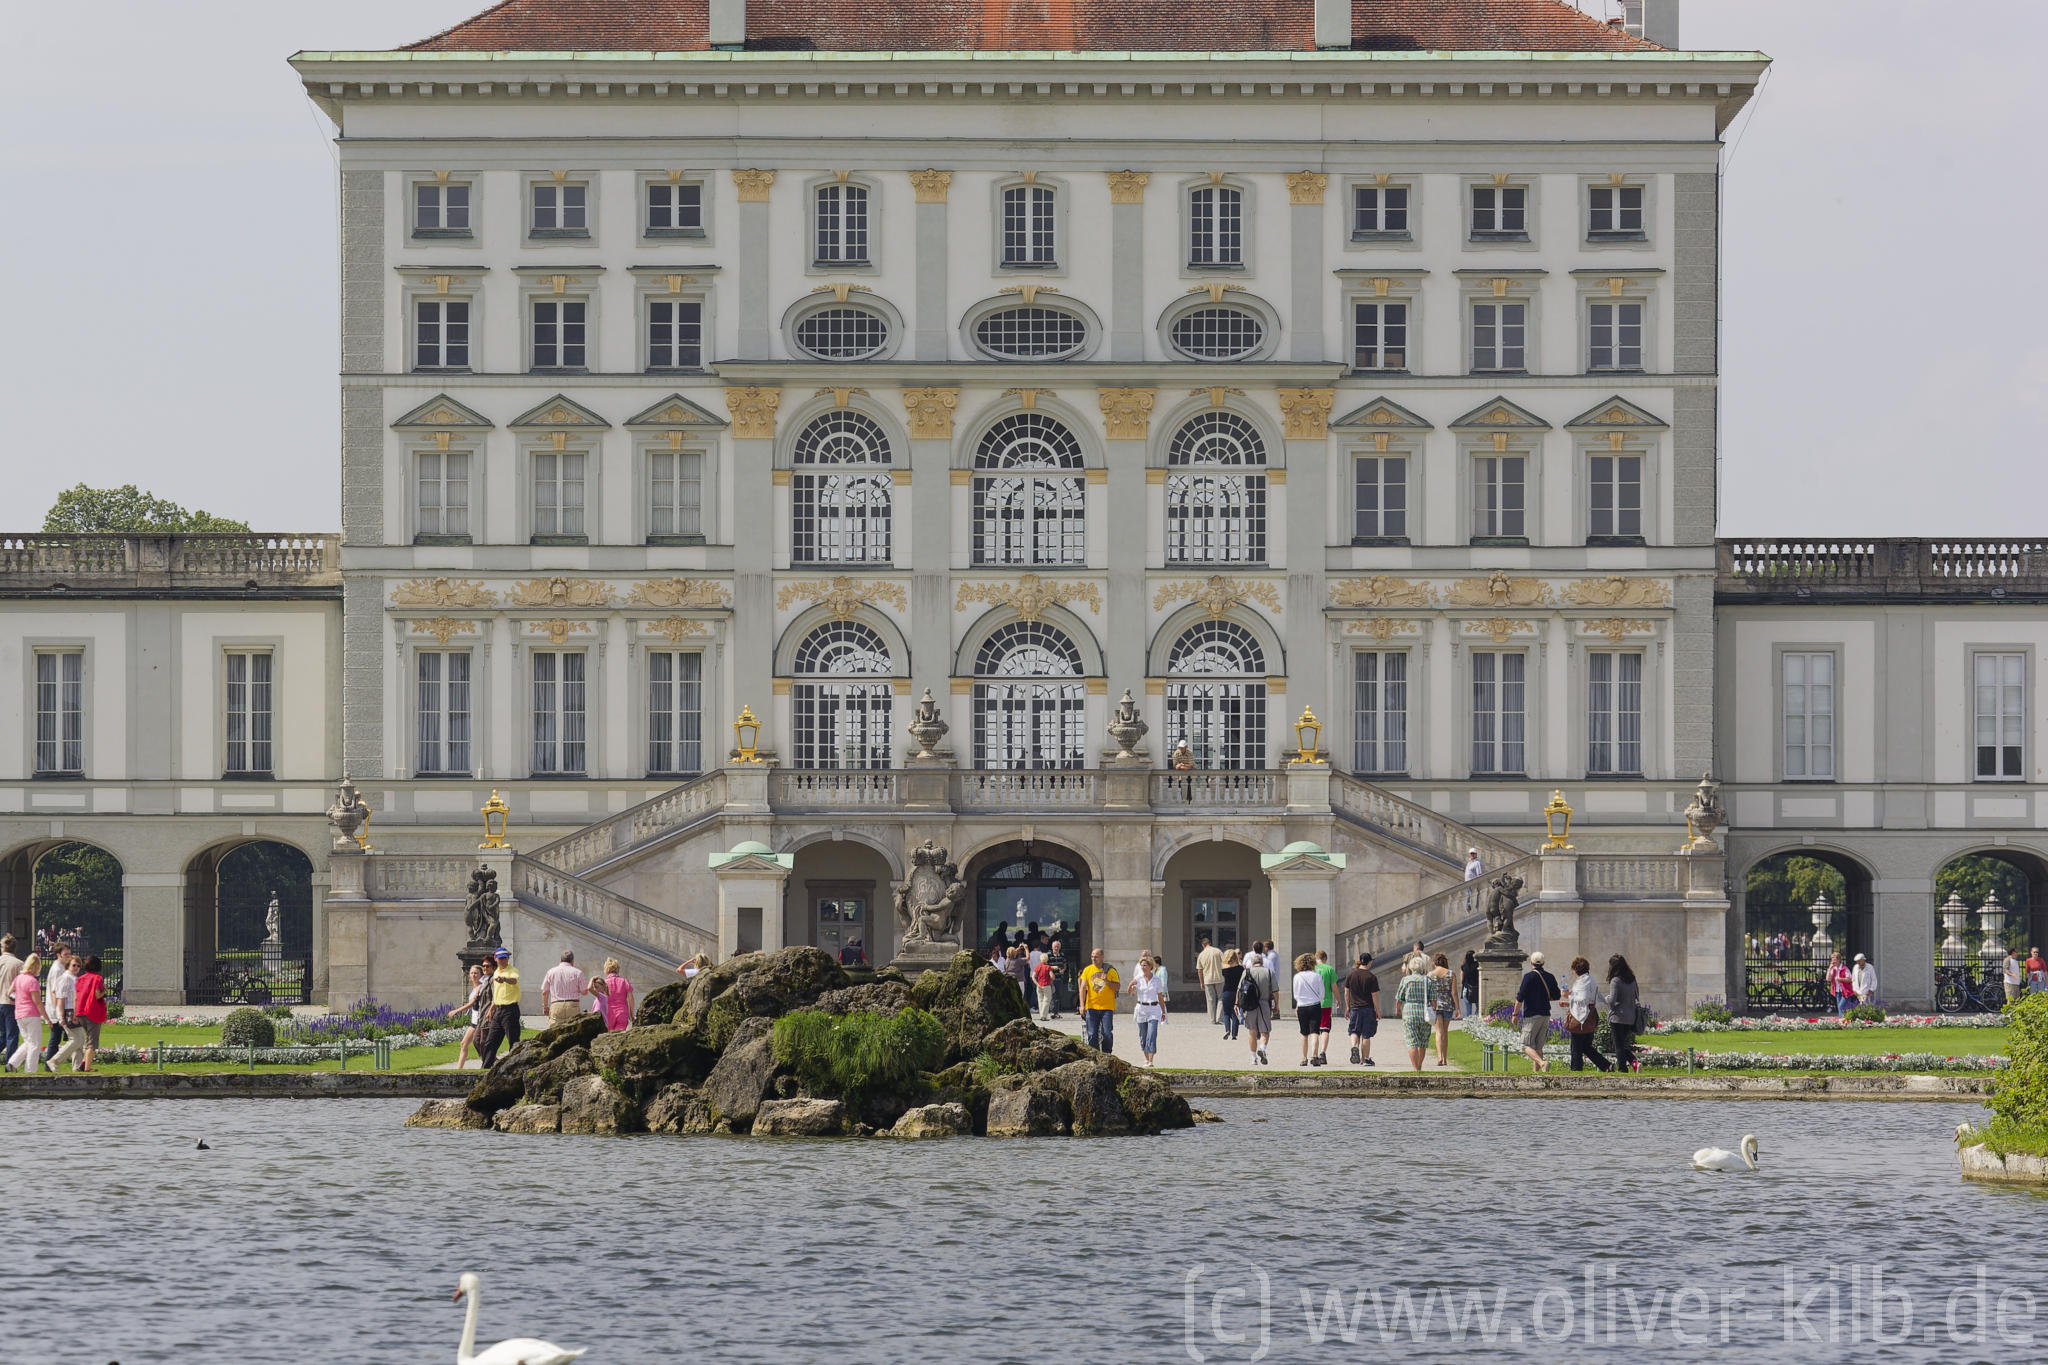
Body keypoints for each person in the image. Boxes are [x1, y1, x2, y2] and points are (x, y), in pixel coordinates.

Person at [1562, 956, 1612, 1073]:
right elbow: (1593, 997)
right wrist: (1568, 1001)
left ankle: (1576, 1070)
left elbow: (1582, 999)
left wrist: (1567, 996)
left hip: (1581, 1018)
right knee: (1586, 1047)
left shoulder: (1581, 982)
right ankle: (1607, 1066)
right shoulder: (1591, 979)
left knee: (1576, 1048)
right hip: (1591, 1015)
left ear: (1576, 969)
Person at [1513, 950, 1560, 1072]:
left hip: (1532, 1015)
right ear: (1543, 962)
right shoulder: (1550, 976)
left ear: (1531, 962)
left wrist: (1515, 1014)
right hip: (1545, 1014)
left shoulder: (1528, 977)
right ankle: (1537, 1074)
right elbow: (1557, 995)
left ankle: (1542, 1063)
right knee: (1538, 1047)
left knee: (1525, 1045)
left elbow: (1520, 997)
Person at [476, 948, 522, 1067]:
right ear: (496, 959)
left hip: (510, 1010)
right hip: (499, 1010)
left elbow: (513, 980)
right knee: (490, 1042)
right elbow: (497, 994)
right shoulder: (496, 972)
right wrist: (491, 1009)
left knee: (513, 1041)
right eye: (500, 958)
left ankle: (515, 1067)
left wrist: (505, 979)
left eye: (505, 958)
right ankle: (485, 1069)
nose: (503, 960)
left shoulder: (512, 970)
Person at [45, 948, 83, 1071]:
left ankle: (76, 1067)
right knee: (76, 1039)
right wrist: (61, 1016)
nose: (76, 967)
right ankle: (54, 1060)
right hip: (68, 1012)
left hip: (74, 1011)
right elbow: (60, 998)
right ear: (68, 965)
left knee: (80, 1041)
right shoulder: (65, 978)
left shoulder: (74, 978)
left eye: (78, 965)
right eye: (74, 965)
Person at [1394, 955, 1432, 1072]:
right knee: (1422, 1042)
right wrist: (1433, 1011)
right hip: (1424, 1012)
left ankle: (1415, 1068)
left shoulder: (1406, 980)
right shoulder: (1428, 980)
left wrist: (1397, 1009)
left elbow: (1399, 998)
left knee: (1412, 1042)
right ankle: (1419, 1066)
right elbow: (1434, 1000)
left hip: (1409, 1011)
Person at [1127, 956, 1168, 1067]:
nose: (1143, 967)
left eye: (1145, 965)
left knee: (1152, 1033)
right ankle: (1146, 1058)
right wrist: (1131, 985)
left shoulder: (1157, 980)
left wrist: (1163, 1012)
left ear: (1150, 967)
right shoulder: (1138, 978)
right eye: (1142, 965)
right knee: (1143, 1035)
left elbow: (1160, 997)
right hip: (1141, 1009)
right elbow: (1130, 993)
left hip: (1154, 1009)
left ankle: (1151, 1060)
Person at [8, 954, 45, 1073]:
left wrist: (17, 997)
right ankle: (30, 1071)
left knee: (29, 1042)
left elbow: (9, 993)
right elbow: (38, 1002)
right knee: (34, 1044)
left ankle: (13, 1063)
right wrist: (47, 1018)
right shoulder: (32, 981)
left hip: (19, 1014)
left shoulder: (19, 978)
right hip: (32, 1014)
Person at [447, 964, 489, 1068]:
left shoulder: (480, 987)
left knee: (479, 1047)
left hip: (479, 1021)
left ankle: (493, 1063)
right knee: (464, 1044)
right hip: (474, 1021)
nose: (474, 975)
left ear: (481, 975)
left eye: (476, 973)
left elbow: (471, 1004)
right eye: (472, 973)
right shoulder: (475, 988)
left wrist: (456, 1011)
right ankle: (459, 1069)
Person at [70, 955, 108, 1073]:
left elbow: (76, 998)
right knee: (92, 1041)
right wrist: (104, 991)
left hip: (80, 1011)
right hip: (92, 1011)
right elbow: (97, 995)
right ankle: (87, 1068)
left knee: (87, 1039)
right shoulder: (97, 978)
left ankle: (83, 1064)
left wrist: (75, 1013)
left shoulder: (80, 979)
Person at [1343, 952, 1381, 1066]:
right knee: (1366, 1035)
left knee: (1354, 1031)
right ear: (1369, 962)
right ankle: (1365, 1059)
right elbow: (1374, 995)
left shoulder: (1351, 975)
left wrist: (1348, 1006)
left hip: (1354, 1008)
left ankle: (1354, 1047)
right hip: (1368, 1009)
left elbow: (1346, 992)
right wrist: (1377, 1010)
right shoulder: (1371, 977)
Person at [1078, 948, 1119, 1054]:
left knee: (1107, 1034)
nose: (1093, 958)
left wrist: (1107, 981)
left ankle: (1106, 1054)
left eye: (1096, 956)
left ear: (1102, 957)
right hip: (1091, 1007)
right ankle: (1094, 1056)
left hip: (1107, 1008)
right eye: (1092, 956)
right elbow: (1082, 988)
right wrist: (1082, 1005)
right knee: (1091, 1034)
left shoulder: (1110, 970)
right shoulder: (1087, 970)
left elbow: (1117, 987)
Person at [1606, 954, 1642, 1072]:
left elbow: (1612, 1001)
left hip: (1617, 1017)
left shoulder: (1615, 980)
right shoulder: (1632, 979)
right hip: (1631, 1016)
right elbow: (1637, 996)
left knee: (1618, 1045)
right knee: (1622, 1044)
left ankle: (1622, 1069)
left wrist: (1605, 998)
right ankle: (1634, 1063)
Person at [1238, 948, 1274, 1065]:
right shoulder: (1268, 972)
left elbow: (1240, 990)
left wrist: (1236, 1004)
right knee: (1265, 1031)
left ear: (1252, 963)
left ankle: (1253, 1058)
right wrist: (1277, 1004)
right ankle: (1262, 1048)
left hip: (1250, 1004)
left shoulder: (1246, 972)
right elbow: (1275, 991)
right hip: (1264, 1003)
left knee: (1252, 1031)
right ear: (1262, 962)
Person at [1290, 954, 1324, 1066]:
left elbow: (1295, 994)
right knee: (1315, 1032)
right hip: (1314, 1005)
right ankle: (1314, 1056)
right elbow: (1322, 993)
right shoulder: (1317, 976)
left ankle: (1304, 1058)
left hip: (1302, 1006)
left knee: (1304, 1033)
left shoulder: (1297, 977)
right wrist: (1316, 999)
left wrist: (1300, 1002)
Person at [1428, 952, 1456, 1067]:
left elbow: (1428, 991)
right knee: (1445, 1032)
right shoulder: (1451, 974)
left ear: (1434, 962)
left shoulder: (1430, 974)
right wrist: (1458, 1007)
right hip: (1448, 1005)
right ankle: (1444, 1058)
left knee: (1438, 1032)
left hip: (1435, 1005)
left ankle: (1439, 1057)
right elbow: (1454, 992)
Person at [591, 957, 634, 1031]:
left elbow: (599, 999)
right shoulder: (624, 981)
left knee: (609, 1037)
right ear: (617, 969)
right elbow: (631, 998)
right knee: (619, 1036)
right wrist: (631, 1014)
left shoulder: (603, 983)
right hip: (622, 1012)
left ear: (606, 969)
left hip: (608, 1013)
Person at [1312, 949, 1337, 1065]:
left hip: (1313, 1002)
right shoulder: (1329, 969)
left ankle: (1314, 1054)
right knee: (1325, 1028)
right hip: (1326, 1002)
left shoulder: (1312, 969)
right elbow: (1334, 987)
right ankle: (1323, 1053)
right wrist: (1338, 999)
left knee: (1315, 1030)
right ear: (1325, 959)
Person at [0, 935, 21, 1071]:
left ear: (3, 947)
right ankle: (10, 1064)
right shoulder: (19, 964)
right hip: (11, 1003)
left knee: (3, 1034)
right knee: (12, 1035)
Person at [1196, 935, 1225, 1024]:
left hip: (1207, 979)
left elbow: (1199, 971)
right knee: (1221, 998)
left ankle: (1212, 1020)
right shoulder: (1217, 951)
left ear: (1203, 945)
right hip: (1219, 977)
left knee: (1210, 1000)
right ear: (1210, 943)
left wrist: (1201, 982)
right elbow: (1224, 963)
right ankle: (1219, 1018)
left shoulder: (1201, 955)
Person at [1218, 948, 1245, 1042]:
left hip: (1226, 991)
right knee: (1235, 1013)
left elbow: (1224, 965)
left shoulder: (1224, 969)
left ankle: (1227, 1030)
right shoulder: (1241, 968)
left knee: (1226, 1013)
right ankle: (1234, 1034)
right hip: (1237, 992)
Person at [1825, 951, 1854, 1017]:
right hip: (1837, 991)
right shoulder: (1833, 969)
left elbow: (1850, 979)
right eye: (1832, 960)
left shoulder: (1845, 969)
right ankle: (1843, 1020)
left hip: (1846, 991)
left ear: (1839, 960)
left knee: (1841, 1006)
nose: (1833, 961)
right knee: (1840, 1008)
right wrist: (1829, 968)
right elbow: (1828, 979)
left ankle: (1842, 1020)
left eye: (1834, 960)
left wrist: (1840, 979)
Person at [1045, 938, 1069, 1017]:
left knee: (1058, 995)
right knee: (1052, 995)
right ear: (1052, 947)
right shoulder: (1048, 954)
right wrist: (1052, 967)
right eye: (1055, 946)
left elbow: (1065, 965)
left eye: (1058, 946)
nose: (1056, 948)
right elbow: (1045, 966)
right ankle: (1052, 1011)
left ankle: (1056, 1012)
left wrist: (1063, 970)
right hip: (1051, 979)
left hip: (1059, 978)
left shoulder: (1062, 955)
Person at [1032, 952, 1055, 1021]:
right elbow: (1052, 977)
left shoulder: (1038, 967)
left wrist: (1037, 984)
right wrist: (1051, 980)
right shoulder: (1048, 967)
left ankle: (1041, 1015)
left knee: (1040, 1000)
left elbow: (1033, 976)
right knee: (1047, 1000)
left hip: (1039, 985)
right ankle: (1044, 1016)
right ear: (1047, 959)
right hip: (1046, 985)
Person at [1459, 950, 1479, 1019]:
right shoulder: (1477, 965)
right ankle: (1477, 1022)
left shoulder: (1464, 966)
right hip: (1477, 988)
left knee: (1468, 1009)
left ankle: (1468, 1024)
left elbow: (1461, 980)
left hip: (1466, 988)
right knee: (1478, 1008)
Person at [1464, 847, 1484, 913]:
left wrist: (1477, 883)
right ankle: (1468, 909)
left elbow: (1479, 874)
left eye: (1473, 853)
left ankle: (1473, 909)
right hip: (1467, 883)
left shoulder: (1477, 863)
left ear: (1476, 854)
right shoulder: (1469, 863)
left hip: (1473, 883)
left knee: (1472, 897)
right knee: (1468, 896)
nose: (1472, 855)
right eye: (1471, 853)